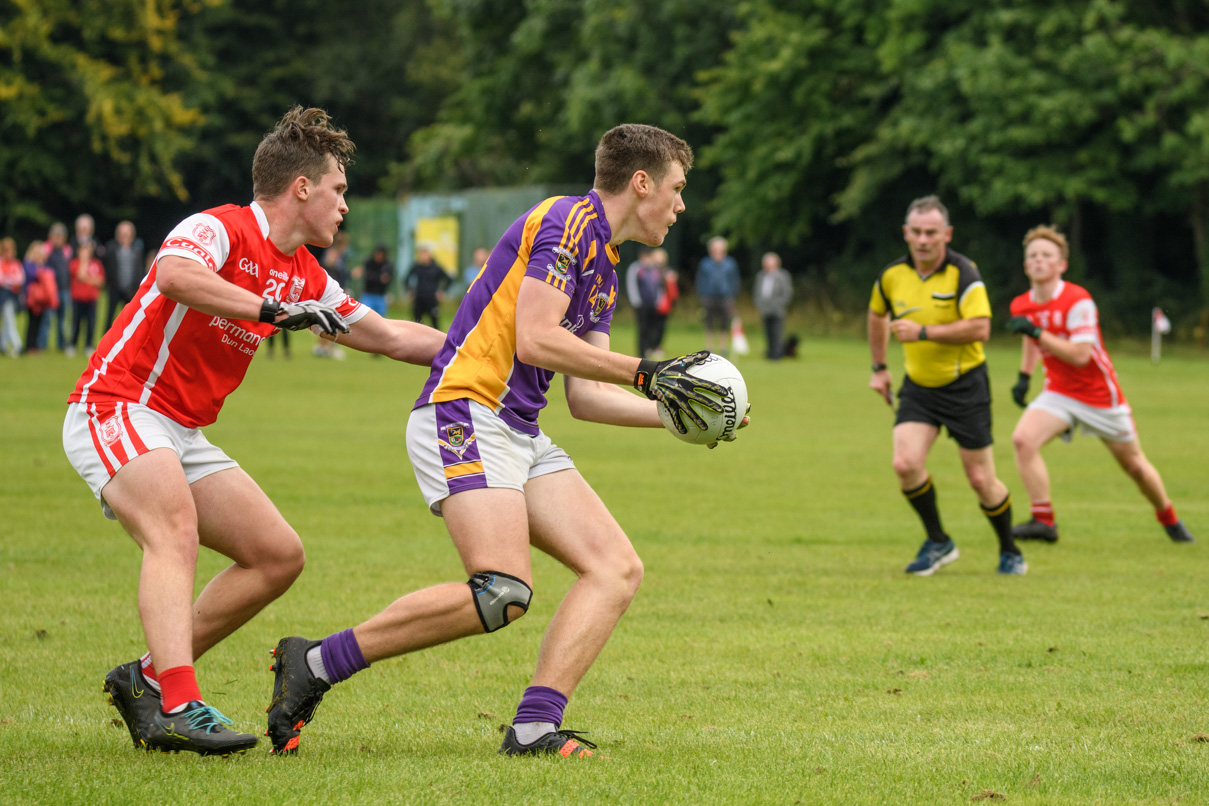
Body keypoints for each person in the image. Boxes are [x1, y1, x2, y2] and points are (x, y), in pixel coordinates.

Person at [265, 123, 744, 760]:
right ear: (641, 182)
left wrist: (678, 417)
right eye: (678, 188)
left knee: (615, 568)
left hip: (516, 427)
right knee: (502, 591)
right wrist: (650, 372)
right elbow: (536, 340)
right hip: (462, 411)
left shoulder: (605, 265)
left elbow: (585, 396)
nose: (681, 205)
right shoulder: (569, 221)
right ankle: (317, 662)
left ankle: (534, 727)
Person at [62, 106, 445, 757]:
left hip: (180, 430)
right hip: (117, 404)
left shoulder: (306, 274)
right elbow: (174, 275)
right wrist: (269, 307)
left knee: (276, 554)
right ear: (302, 188)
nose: (344, 207)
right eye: (340, 190)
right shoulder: (220, 228)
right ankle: (179, 703)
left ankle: (146, 679)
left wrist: (488, 356)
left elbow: (387, 335)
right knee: (174, 527)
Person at [1006, 225, 1196, 545]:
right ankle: (1043, 522)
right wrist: (1024, 377)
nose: (1038, 260)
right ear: (1025, 265)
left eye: (1046, 255)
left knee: (1134, 466)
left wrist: (1037, 333)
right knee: (1023, 440)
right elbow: (1029, 338)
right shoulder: (1021, 304)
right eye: (1032, 255)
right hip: (1059, 391)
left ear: (1061, 264)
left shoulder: (1079, 300)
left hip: (1099, 396)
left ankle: (1170, 519)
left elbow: (1080, 355)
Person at [868, 195, 1024, 576]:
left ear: (946, 234)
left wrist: (923, 332)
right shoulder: (892, 276)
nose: (923, 240)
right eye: (917, 232)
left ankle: (1010, 550)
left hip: (965, 386)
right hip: (919, 387)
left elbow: (981, 327)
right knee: (905, 463)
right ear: (906, 233)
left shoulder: (964, 273)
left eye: (931, 233)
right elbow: (876, 315)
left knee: (981, 480)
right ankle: (939, 541)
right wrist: (880, 367)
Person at [695, 236, 739, 354]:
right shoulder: (705, 263)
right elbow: (700, 280)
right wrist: (701, 295)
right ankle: (709, 347)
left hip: (726, 297)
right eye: (715, 248)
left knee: (725, 323)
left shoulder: (730, 264)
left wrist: (732, 295)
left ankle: (723, 347)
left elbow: (734, 280)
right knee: (709, 323)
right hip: (708, 297)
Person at [102, 221, 145, 329]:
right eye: (122, 234)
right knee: (110, 315)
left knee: (131, 317)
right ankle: (106, 338)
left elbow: (139, 269)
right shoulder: (111, 249)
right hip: (115, 288)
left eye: (127, 234)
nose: (124, 237)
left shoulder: (136, 250)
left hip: (131, 290)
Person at [67, 242, 105, 356]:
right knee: (76, 322)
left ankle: (89, 345)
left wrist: (88, 279)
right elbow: (80, 275)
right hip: (78, 298)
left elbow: (100, 281)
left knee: (91, 323)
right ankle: (72, 344)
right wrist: (84, 263)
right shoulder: (75, 263)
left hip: (92, 299)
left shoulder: (96, 264)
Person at [753, 252, 793, 360]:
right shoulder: (761, 275)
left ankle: (776, 354)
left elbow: (787, 292)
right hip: (765, 308)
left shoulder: (783, 276)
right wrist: (759, 304)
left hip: (777, 309)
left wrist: (779, 304)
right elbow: (757, 292)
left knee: (777, 332)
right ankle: (769, 352)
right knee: (767, 331)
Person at [626, 248, 663, 357]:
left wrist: (658, 300)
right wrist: (636, 300)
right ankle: (641, 353)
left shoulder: (655, 269)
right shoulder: (635, 268)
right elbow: (631, 285)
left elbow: (659, 286)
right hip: (641, 304)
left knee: (653, 329)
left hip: (653, 304)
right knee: (643, 329)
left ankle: (649, 349)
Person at [404, 244, 451, 329]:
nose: (424, 256)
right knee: (416, 324)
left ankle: (437, 342)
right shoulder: (416, 267)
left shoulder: (436, 268)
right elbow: (406, 280)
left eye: (426, 254)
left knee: (435, 323)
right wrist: (409, 290)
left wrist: (442, 291)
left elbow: (449, 279)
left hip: (432, 300)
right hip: (419, 299)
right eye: (422, 254)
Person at [22, 240, 57, 354]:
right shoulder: (28, 265)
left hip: (42, 299)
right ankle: (29, 345)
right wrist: (41, 270)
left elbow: (51, 274)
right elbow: (33, 275)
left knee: (40, 322)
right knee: (32, 322)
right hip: (32, 299)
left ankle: (36, 345)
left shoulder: (44, 265)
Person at [44, 222, 71, 351]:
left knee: (62, 320)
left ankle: (61, 344)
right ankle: (42, 344)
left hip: (64, 289)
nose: (58, 239)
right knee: (47, 319)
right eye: (56, 236)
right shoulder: (46, 251)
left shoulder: (67, 252)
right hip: (50, 291)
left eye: (60, 236)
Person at [650, 247, 678, 359]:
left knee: (661, 327)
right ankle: (650, 346)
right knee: (651, 327)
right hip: (653, 304)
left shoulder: (668, 271)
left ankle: (658, 347)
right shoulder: (651, 271)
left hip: (665, 304)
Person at [0, 237, 24, 357]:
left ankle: (5, 345)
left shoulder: (15, 264)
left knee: (8, 320)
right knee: (8, 320)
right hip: (3, 295)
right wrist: (11, 281)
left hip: (12, 295)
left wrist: (8, 281)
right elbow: (1, 280)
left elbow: (20, 279)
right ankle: (17, 344)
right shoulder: (1, 263)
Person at [357, 243, 394, 318]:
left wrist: (374, 277)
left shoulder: (388, 265)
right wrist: (379, 278)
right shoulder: (369, 263)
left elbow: (388, 279)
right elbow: (367, 276)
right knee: (365, 316)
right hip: (368, 294)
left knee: (380, 318)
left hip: (381, 295)